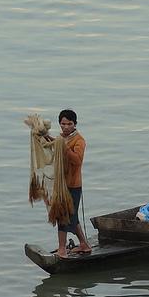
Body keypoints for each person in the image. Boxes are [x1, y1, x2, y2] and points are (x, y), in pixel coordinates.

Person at [47, 109, 92, 258]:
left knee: (65, 217)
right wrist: (45, 137)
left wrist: (63, 147)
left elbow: (77, 160)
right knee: (70, 216)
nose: (66, 127)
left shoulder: (79, 140)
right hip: (61, 184)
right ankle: (84, 244)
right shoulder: (60, 139)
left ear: (75, 124)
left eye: (69, 124)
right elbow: (54, 145)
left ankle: (62, 250)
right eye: (63, 124)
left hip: (73, 185)